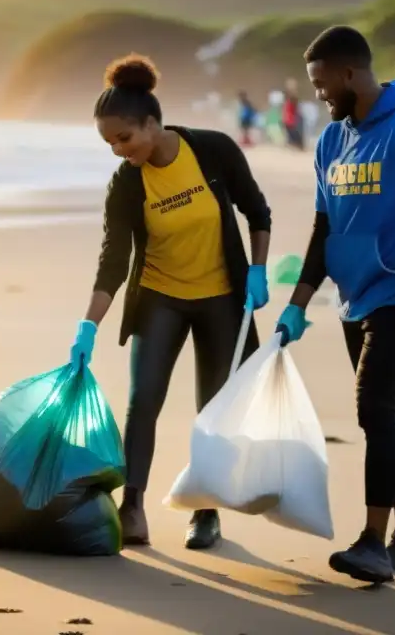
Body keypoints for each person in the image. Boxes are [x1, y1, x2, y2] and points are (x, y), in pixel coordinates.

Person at [276, 26, 395, 584]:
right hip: (353, 297)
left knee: (373, 407)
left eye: (321, 83)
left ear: (350, 74)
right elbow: (323, 227)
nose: (318, 95)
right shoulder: (332, 141)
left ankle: (373, 544)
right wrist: (299, 303)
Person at [70, 54, 272, 549]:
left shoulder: (212, 150)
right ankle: (132, 506)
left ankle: (206, 511)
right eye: (109, 143)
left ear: (153, 124)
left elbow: (257, 210)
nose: (119, 151)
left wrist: (259, 268)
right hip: (160, 296)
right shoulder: (127, 182)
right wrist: (89, 325)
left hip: (222, 297)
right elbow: (113, 259)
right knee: (144, 401)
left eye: (125, 138)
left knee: (213, 407)